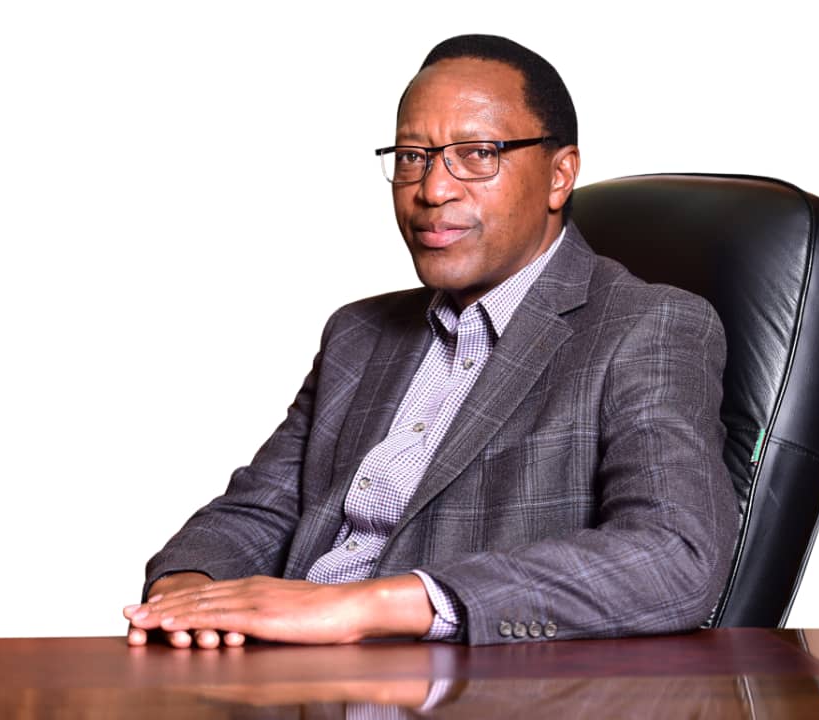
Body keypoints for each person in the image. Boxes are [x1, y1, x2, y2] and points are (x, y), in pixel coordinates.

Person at [123, 34, 738, 648]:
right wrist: (188, 590)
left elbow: (675, 556)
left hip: (459, 682)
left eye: (477, 154)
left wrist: (370, 606)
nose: (433, 189)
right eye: (412, 157)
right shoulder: (357, 335)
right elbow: (261, 510)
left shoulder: (647, 326)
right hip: (284, 669)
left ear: (560, 175)